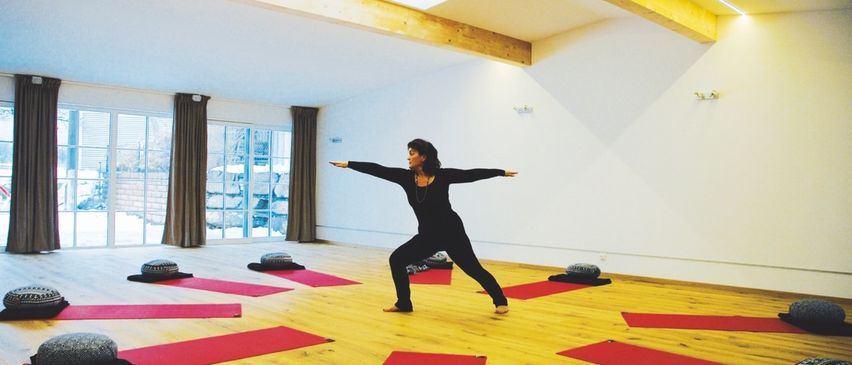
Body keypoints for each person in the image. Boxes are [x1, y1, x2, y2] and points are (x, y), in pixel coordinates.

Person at [329, 138, 517, 314]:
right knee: (397, 260)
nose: (408, 157)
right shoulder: (405, 178)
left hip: (452, 232)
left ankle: (500, 300)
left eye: (412, 153)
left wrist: (499, 172)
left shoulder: (443, 176)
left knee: (473, 269)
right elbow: (379, 169)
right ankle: (404, 303)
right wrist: (350, 164)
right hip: (428, 235)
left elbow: (470, 174)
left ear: (424, 157)